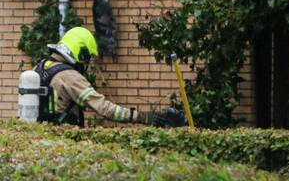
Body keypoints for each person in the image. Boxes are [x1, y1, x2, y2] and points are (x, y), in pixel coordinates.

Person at [34, 26, 185, 127]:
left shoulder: (40, 67)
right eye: (86, 58)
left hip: (39, 135)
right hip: (62, 140)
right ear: (80, 52)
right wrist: (145, 117)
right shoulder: (70, 77)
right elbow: (104, 108)